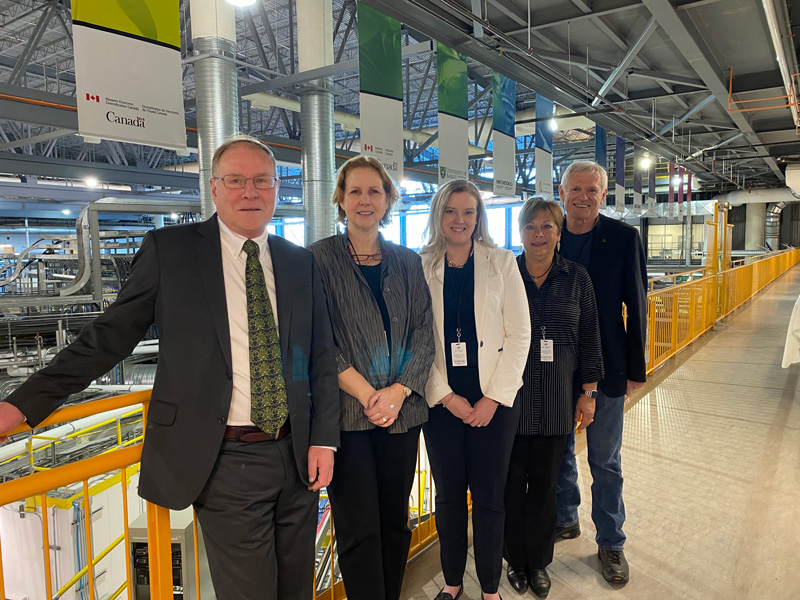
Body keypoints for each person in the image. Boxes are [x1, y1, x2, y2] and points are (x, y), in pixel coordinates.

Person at [0, 136, 340, 600]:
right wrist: (23, 402)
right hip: (222, 458)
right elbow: (110, 337)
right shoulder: (171, 251)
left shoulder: (299, 261)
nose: (250, 192)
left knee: (297, 589)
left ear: (276, 188)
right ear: (214, 189)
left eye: (262, 180)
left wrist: (323, 438)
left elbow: (319, 357)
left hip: (297, 456)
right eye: (236, 180)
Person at [308, 155, 434, 600]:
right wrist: (369, 395)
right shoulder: (318, 259)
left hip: (401, 414)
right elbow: (319, 338)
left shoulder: (406, 261)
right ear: (341, 199)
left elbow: (424, 331)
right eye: (355, 191)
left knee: (395, 522)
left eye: (374, 191)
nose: (365, 200)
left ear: (388, 200)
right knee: (358, 527)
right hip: (348, 417)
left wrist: (398, 393)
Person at [419, 179, 530, 600]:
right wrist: (445, 395)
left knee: (489, 497)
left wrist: (493, 399)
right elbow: (418, 339)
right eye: (451, 211)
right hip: (442, 404)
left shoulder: (501, 262)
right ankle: (451, 583)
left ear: (478, 217)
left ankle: (488, 587)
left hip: (494, 406)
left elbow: (520, 335)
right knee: (448, 499)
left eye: (468, 212)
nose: (459, 220)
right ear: (438, 216)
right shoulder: (422, 264)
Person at [503, 198, 603, 598]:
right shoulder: (504, 273)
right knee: (511, 487)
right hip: (508, 402)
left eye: (547, 227)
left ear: (559, 235)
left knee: (545, 487)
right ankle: (515, 560)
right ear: (520, 232)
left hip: (558, 401)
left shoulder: (577, 278)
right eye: (530, 227)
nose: (538, 235)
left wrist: (588, 393)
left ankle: (539, 562)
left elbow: (590, 338)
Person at [554, 161, 647, 584]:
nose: (583, 197)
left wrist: (636, 369)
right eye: (576, 189)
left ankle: (611, 542)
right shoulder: (547, 234)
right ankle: (565, 516)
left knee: (605, 459)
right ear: (562, 192)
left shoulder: (624, 238)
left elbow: (637, 305)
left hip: (607, 366)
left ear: (603, 195)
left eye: (592, 190)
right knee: (557, 452)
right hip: (554, 366)